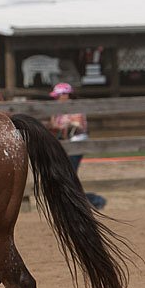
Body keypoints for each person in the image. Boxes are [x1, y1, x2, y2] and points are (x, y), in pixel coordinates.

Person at [47, 82, 107, 210]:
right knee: (66, 176)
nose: (56, 99)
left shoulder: (75, 108)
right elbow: (54, 124)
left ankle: (93, 201)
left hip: (76, 142)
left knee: (69, 176)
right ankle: (89, 201)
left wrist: (60, 125)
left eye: (58, 96)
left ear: (66, 95)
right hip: (65, 143)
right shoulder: (58, 109)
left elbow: (76, 125)